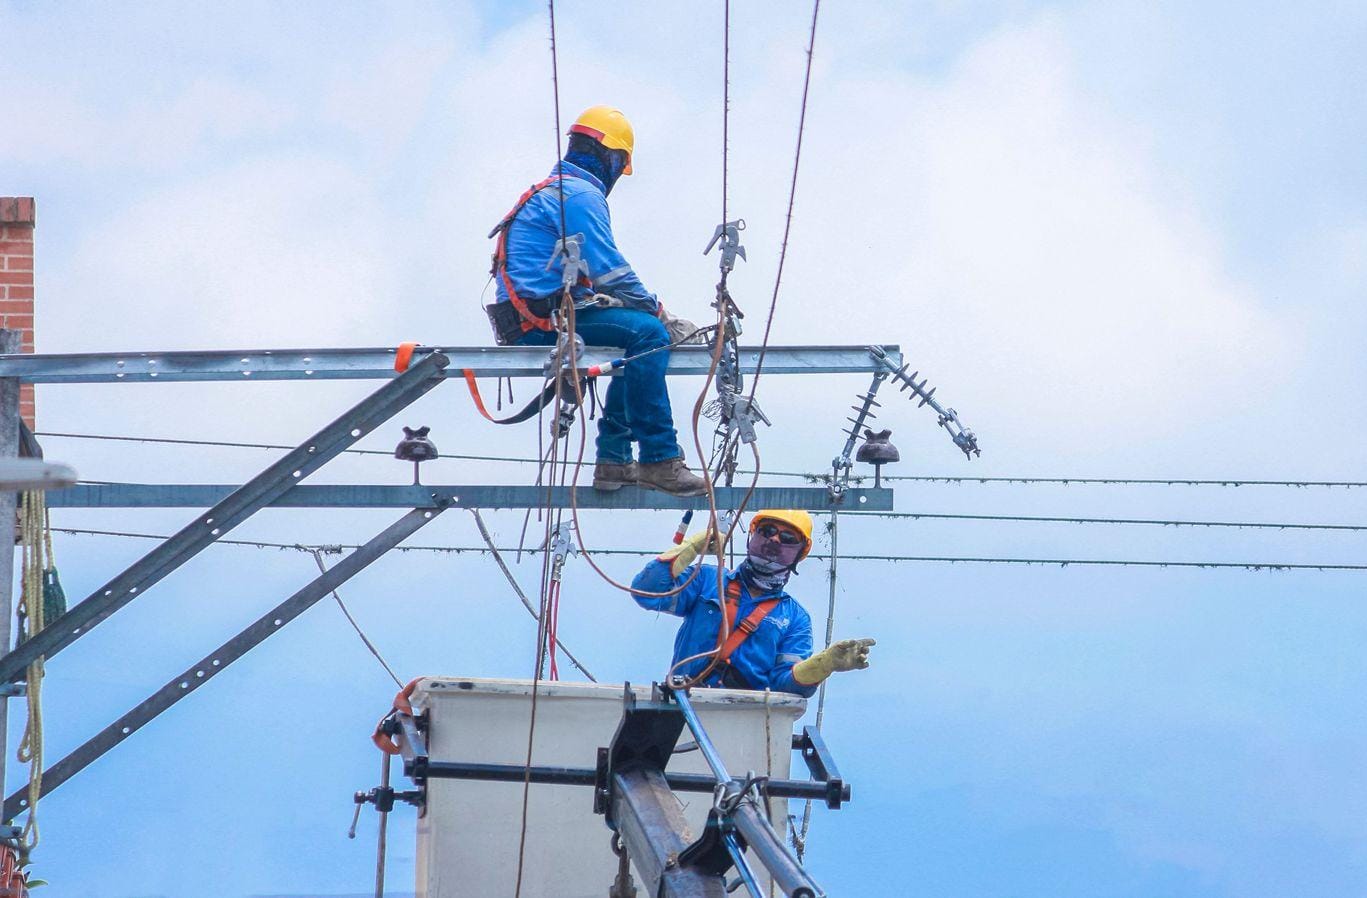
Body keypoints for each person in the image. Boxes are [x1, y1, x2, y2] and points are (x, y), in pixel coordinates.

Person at [486, 105, 706, 497]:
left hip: (538, 315)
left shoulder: (555, 190)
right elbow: (609, 268)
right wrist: (660, 312)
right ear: (612, 157)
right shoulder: (579, 195)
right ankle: (659, 459)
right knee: (649, 335)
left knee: (633, 341)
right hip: (542, 322)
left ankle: (615, 462)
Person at [630, 509, 876, 697]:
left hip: (744, 718)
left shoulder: (794, 618)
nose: (775, 540)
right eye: (767, 531)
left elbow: (786, 684)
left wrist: (824, 664)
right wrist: (693, 547)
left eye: (788, 537)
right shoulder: (707, 580)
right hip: (684, 702)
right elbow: (646, 591)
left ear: (800, 554)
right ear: (752, 537)